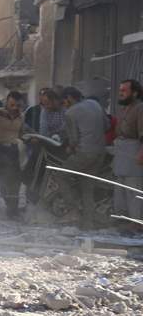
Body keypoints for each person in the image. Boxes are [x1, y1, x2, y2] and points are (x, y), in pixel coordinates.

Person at [61, 86, 109, 230]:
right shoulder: (95, 104)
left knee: (61, 175)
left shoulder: (70, 113)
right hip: (100, 152)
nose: (64, 104)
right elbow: (106, 126)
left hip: (84, 153)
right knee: (87, 187)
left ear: (69, 98)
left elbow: (74, 140)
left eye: (64, 101)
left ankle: (72, 210)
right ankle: (88, 223)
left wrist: (69, 147)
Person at [0, 91, 25, 219]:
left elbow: (22, 133)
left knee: (14, 181)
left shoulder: (21, 117)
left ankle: (12, 211)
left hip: (13, 150)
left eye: (18, 105)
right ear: (7, 102)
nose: (15, 108)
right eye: (12, 104)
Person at [112, 79, 143, 232]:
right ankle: (125, 221)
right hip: (123, 152)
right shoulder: (125, 109)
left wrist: (141, 153)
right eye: (120, 90)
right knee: (122, 187)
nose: (121, 93)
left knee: (133, 188)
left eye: (124, 90)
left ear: (135, 93)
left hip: (134, 151)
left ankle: (137, 222)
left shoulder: (140, 108)